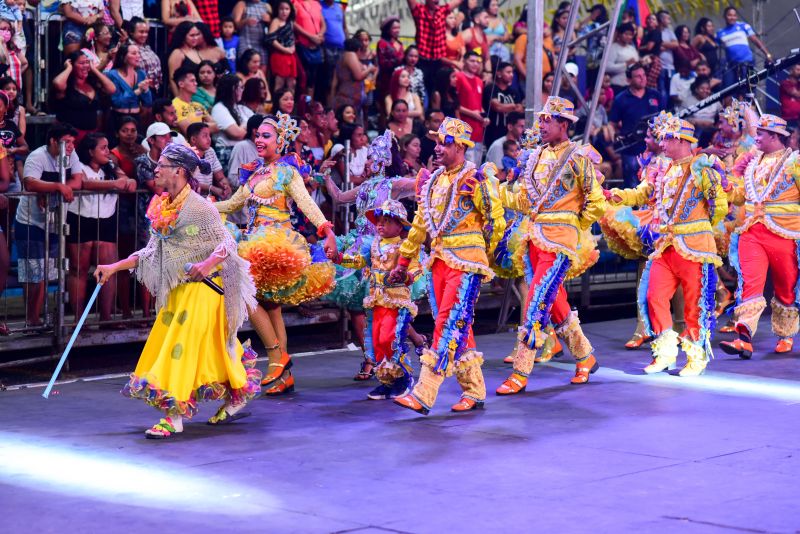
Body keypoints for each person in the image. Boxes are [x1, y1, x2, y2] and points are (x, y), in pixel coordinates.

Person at [94, 143, 262, 438]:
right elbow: (149, 253)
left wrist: (208, 263)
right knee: (209, 349)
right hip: (180, 289)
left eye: (161, 165)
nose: (155, 169)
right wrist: (112, 268)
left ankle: (174, 416)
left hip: (208, 289)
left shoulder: (200, 207)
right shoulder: (163, 206)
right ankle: (238, 391)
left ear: (179, 171)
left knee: (179, 348)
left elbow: (227, 244)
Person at [388, 117, 506, 415]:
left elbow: (496, 221)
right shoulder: (433, 181)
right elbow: (418, 226)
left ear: (461, 147)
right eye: (437, 142)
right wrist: (403, 262)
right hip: (439, 262)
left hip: (466, 264)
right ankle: (475, 391)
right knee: (459, 328)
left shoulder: (476, 180)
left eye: (444, 143)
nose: (438, 148)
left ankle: (424, 392)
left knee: (447, 324)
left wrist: (484, 256)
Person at [214, 113, 337, 395]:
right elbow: (233, 204)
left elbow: (306, 202)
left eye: (266, 136)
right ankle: (283, 375)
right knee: (271, 308)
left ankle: (276, 358)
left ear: (280, 141)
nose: (259, 140)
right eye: (257, 135)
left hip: (276, 242)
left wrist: (326, 230)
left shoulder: (286, 171)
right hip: (254, 240)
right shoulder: (255, 172)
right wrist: (201, 205)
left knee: (247, 296)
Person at [496, 97, 607, 395]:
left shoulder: (577, 157)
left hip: (559, 242)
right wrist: (502, 188)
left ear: (564, 124)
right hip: (534, 238)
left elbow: (596, 201)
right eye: (541, 119)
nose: (541, 125)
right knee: (555, 303)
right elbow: (524, 201)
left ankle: (520, 372)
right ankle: (585, 356)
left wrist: (574, 225)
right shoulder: (536, 156)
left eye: (548, 120)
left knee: (534, 304)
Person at [609, 113, 727, 377]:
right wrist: (617, 195)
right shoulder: (663, 168)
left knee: (695, 304)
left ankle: (696, 357)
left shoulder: (702, 167)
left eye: (666, 138)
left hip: (695, 247)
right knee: (653, 296)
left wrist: (699, 226)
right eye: (660, 138)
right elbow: (643, 193)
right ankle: (665, 352)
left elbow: (718, 206)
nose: (661, 143)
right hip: (666, 246)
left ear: (681, 140)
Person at [719, 115, 799, 359]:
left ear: (775, 137)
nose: (756, 137)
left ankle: (785, 334)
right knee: (750, 284)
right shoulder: (753, 163)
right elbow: (743, 195)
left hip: (784, 233)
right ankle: (744, 338)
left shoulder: (795, 162)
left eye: (761, 134)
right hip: (752, 233)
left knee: (786, 288)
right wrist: (726, 186)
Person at [330, 199, 422, 399]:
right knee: (377, 342)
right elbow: (358, 261)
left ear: (400, 225)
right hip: (377, 301)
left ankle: (403, 379)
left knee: (390, 338)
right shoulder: (373, 245)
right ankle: (387, 382)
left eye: (387, 221)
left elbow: (416, 269)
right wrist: (338, 258)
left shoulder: (404, 247)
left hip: (396, 301)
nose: (380, 224)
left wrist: (404, 276)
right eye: (378, 221)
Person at [16, 124, 83, 326]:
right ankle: (32, 319)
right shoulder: (37, 156)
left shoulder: (71, 155)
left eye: (73, 142)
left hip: (54, 223)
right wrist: (56, 187)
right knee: (33, 273)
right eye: (66, 142)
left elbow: (78, 180)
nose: (70, 146)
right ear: (54, 141)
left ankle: (40, 318)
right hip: (31, 222)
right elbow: (30, 183)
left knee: (47, 272)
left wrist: (56, 190)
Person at [67, 132, 135, 325]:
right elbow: (83, 184)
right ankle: (79, 320)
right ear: (90, 151)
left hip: (106, 218)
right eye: (103, 147)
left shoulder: (111, 166)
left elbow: (129, 182)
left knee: (108, 270)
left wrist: (128, 181)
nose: (108, 151)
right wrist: (114, 183)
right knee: (78, 270)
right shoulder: (78, 166)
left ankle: (106, 317)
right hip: (80, 218)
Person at [134, 122, 176, 318]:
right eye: (163, 136)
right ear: (151, 140)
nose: (168, 139)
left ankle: (160, 310)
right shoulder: (143, 161)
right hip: (147, 220)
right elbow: (159, 189)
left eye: (169, 136)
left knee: (165, 264)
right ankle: (146, 313)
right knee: (148, 263)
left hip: (170, 217)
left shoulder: (172, 159)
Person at [609, 62, 664, 188]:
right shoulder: (621, 99)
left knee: (655, 185)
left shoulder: (655, 95)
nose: (642, 78)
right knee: (632, 186)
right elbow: (612, 124)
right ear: (629, 80)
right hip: (631, 150)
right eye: (638, 76)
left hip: (654, 149)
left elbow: (664, 120)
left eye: (644, 75)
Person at [51, 51, 116, 143]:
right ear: (72, 65)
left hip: (91, 136)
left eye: (87, 62)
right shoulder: (66, 86)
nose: (86, 65)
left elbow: (112, 89)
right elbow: (58, 84)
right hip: (70, 137)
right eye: (81, 63)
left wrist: (94, 69)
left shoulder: (92, 83)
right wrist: (68, 68)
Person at [407, 0, 462, 98]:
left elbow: (457, 2)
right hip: (422, 61)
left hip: (438, 62)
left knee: (436, 92)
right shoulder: (419, 10)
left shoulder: (442, 11)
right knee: (421, 92)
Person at [716, 6, 771, 92]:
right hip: (731, 66)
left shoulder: (743, 26)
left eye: (734, 15)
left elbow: (755, 40)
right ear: (725, 16)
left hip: (747, 64)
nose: (732, 17)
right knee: (727, 92)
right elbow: (714, 48)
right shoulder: (720, 32)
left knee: (747, 92)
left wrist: (767, 54)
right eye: (729, 15)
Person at [106, 43, 153, 134]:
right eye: (134, 53)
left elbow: (148, 103)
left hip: (136, 118)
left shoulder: (141, 74)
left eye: (138, 53)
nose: (138, 56)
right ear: (123, 57)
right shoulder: (112, 74)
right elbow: (117, 102)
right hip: (118, 118)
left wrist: (146, 90)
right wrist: (137, 91)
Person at [456, 50, 489, 165]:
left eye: (478, 62)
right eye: (472, 61)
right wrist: (472, 113)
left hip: (478, 129)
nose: (475, 64)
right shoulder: (458, 77)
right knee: (465, 166)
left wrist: (484, 116)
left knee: (477, 166)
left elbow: (479, 105)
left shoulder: (479, 81)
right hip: (464, 127)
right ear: (464, 61)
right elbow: (454, 105)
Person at [211, 75, 248, 172]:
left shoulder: (237, 107)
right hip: (227, 154)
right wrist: (246, 125)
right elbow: (237, 134)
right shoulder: (219, 108)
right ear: (232, 89)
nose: (242, 90)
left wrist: (244, 127)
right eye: (239, 87)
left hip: (241, 151)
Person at [332, 37, 375, 118]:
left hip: (346, 97)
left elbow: (334, 83)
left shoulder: (342, 57)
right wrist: (370, 69)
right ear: (358, 49)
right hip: (348, 98)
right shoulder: (350, 55)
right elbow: (358, 76)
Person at [483, 61, 523, 146]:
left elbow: (520, 109)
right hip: (493, 131)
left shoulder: (514, 91)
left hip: (510, 132)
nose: (511, 75)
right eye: (508, 72)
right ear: (499, 73)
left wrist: (506, 107)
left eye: (512, 72)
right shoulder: (491, 88)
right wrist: (512, 106)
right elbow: (497, 107)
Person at [186, 122, 231, 199]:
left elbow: (220, 177)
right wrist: (211, 188)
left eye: (209, 135)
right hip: (191, 200)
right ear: (193, 139)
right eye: (205, 136)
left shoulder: (210, 151)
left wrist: (225, 185)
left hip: (208, 199)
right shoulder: (186, 155)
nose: (209, 139)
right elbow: (188, 183)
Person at [172, 67, 218, 136]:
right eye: (192, 81)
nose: (196, 83)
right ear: (181, 84)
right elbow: (189, 131)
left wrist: (196, 125)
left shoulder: (198, 105)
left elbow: (216, 127)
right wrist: (203, 124)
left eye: (195, 81)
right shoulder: (175, 105)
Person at [293, 0, 326, 98]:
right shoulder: (295, 3)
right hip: (303, 45)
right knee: (303, 78)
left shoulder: (316, 4)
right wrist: (310, 36)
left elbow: (323, 24)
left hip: (316, 46)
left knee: (313, 79)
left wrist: (320, 35)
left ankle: (309, 106)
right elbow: (292, 23)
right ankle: (301, 105)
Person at [226, 113, 263, 195]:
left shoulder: (267, 149)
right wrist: (256, 185)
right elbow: (232, 178)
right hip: (243, 200)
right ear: (255, 131)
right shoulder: (241, 147)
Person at [266, 0, 298, 92]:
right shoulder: (276, 21)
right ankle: (277, 104)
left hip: (290, 55)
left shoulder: (290, 22)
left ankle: (290, 102)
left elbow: (292, 37)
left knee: (292, 82)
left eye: (287, 9)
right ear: (277, 10)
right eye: (281, 9)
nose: (284, 12)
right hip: (279, 54)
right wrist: (284, 49)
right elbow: (270, 39)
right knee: (280, 82)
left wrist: (293, 47)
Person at [319, 0, 346, 102]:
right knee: (328, 79)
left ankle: (339, 106)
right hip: (327, 47)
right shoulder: (319, 6)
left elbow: (344, 27)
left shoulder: (339, 7)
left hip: (341, 48)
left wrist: (348, 45)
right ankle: (328, 105)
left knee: (341, 77)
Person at [126, 17, 162, 94]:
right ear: (131, 32)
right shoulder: (128, 48)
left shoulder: (146, 46)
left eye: (146, 32)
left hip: (155, 89)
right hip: (141, 90)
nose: (145, 35)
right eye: (141, 32)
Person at [232, 0, 270, 72]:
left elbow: (274, 25)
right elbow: (234, 25)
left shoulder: (266, 6)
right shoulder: (242, 4)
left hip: (261, 43)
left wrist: (269, 20)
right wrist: (245, 21)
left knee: (262, 70)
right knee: (247, 70)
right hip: (246, 41)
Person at [376, 16, 404, 106]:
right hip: (387, 79)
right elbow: (382, 62)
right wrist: (399, 60)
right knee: (386, 106)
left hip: (400, 80)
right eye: (394, 28)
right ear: (388, 29)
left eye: (399, 27)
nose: (397, 30)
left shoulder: (400, 43)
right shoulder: (382, 43)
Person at [607, 23, 640, 95]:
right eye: (626, 34)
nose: (628, 37)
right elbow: (607, 67)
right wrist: (625, 64)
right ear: (619, 34)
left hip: (632, 87)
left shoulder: (632, 49)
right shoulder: (613, 48)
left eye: (630, 34)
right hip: (617, 85)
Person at [656, 10, 678, 107]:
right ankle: (662, 112)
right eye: (667, 18)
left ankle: (670, 111)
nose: (669, 21)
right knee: (661, 91)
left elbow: (676, 44)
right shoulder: (655, 31)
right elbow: (654, 47)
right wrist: (668, 45)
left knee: (671, 91)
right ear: (661, 19)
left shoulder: (669, 32)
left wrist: (662, 44)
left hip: (670, 67)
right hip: (659, 66)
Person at [461, 7, 491, 75]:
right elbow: (460, 57)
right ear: (477, 20)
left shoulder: (485, 37)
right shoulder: (467, 34)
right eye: (485, 17)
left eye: (488, 18)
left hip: (479, 76)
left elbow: (487, 59)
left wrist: (489, 73)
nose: (488, 20)